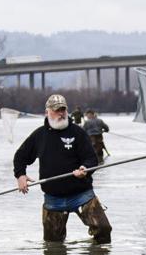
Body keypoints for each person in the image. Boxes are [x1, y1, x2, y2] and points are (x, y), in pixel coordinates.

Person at [14, 93, 112, 244]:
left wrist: (85, 168)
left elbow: (91, 158)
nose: (61, 113)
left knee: (104, 230)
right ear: (47, 112)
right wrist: (20, 175)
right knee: (52, 245)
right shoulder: (39, 135)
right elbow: (20, 157)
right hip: (53, 199)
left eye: (63, 110)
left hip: (82, 194)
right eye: (56, 110)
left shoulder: (78, 133)